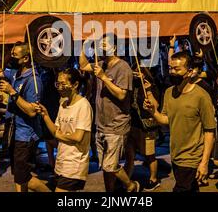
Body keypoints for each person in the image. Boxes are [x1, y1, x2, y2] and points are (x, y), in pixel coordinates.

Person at [145, 51, 216, 192]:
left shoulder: (201, 96)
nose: (172, 72)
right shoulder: (169, 92)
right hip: (175, 155)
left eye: (177, 69)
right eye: (171, 68)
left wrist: (204, 162)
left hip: (191, 157)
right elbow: (165, 119)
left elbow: (210, 131)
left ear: (189, 72)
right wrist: (152, 111)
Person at [79, 33, 139, 192]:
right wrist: (84, 46)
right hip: (101, 124)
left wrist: (104, 77)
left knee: (109, 165)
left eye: (105, 45)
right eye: (100, 45)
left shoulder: (123, 67)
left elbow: (121, 94)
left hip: (117, 124)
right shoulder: (102, 64)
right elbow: (83, 65)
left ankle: (131, 185)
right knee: (106, 166)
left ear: (115, 47)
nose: (101, 48)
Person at [0, 42, 50, 192]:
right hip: (15, 132)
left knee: (24, 177)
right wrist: (7, 54)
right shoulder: (15, 73)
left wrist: (12, 92)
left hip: (26, 135)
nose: (12, 58)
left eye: (15, 55)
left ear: (25, 59)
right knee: (18, 175)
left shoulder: (33, 80)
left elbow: (32, 111)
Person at [37, 68, 93, 192]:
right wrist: (45, 115)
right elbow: (55, 130)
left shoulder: (83, 106)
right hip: (61, 162)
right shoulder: (63, 104)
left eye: (63, 84)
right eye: (57, 84)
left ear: (75, 84)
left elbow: (77, 137)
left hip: (74, 165)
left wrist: (58, 135)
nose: (59, 87)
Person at [124, 67, 161, 191]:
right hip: (133, 125)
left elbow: (156, 106)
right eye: (133, 71)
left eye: (138, 71)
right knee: (130, 154)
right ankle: (127, 179)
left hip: (147, 126)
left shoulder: (150, 86)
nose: (135, 74)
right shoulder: (131, 85)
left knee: (149, 155)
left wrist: (149, 90)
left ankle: (154, 179)